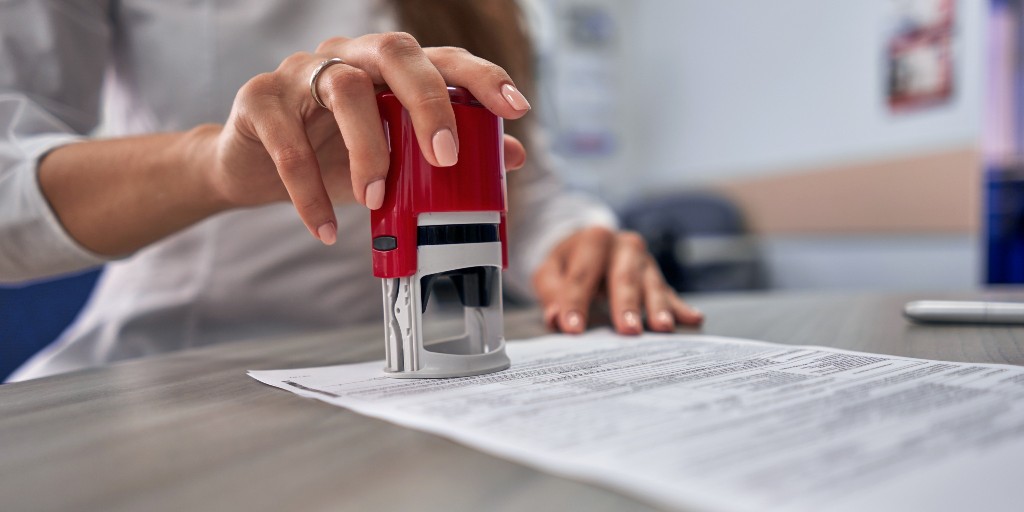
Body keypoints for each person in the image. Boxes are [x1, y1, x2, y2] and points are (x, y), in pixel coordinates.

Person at [0, 0, 702, 382]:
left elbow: (518, 175)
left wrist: (574, 241)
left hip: (408, 372)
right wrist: (213, 165)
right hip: (178, 367)